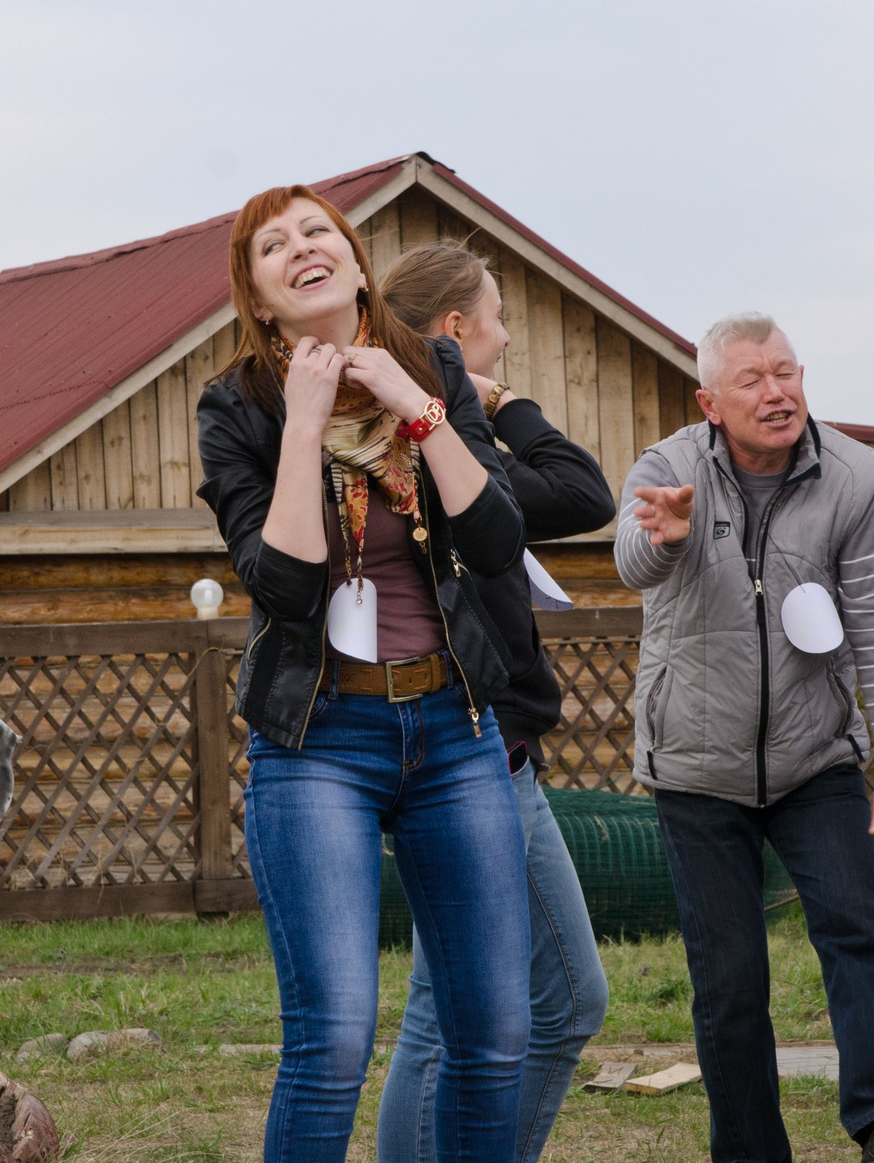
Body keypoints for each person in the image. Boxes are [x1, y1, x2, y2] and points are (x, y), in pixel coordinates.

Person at [194, 187, 530, 1163]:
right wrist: (303, 422)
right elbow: (286, 586)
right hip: (318, 741)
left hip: (454, 731)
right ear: (258, 296)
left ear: (350, 255)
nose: (302, 247)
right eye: (274, 245)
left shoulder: (433, 373)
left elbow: (498, 537)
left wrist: (419, 411)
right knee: (333, 1039)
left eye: (316, 231)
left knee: (495, 1037)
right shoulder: (236, 408)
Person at [617, 313, 874, 1163]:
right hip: (695, 762)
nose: (777, 393)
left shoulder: (852, 476)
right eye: (753, 381)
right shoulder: (667, 468)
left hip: (814, 754)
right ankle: (751, 1150)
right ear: (710, 402)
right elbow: (632, 561)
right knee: (729, 977)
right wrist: (668, 539)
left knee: (855, 930)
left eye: (787, 373)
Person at [374, 244, 614, 1163]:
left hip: (484, 753)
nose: (510, 335)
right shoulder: (433, 452)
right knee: (533, 1005)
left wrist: (491, 402)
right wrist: (492, 406)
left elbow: (580, 495)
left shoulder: (448, 441)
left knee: (479, 1010)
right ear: (455, 331)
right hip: (472, 751)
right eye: (499, 316)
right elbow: (586, 490)